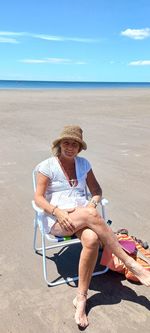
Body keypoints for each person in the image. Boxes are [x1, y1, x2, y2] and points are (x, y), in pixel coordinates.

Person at [34, 125, 150, 328]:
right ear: (59, 144)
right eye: (66, 143)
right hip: (58, 220)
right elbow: (38, 198)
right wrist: (58, 212)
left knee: (92, 239)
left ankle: (81, 299)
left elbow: (96, 190)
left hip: (83, 216)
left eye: (75, 144)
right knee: (91, 215)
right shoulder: (47, 166)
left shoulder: (84, 164)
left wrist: (93, 202)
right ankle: (132, 264)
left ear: (79, 148)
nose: (70, 147)